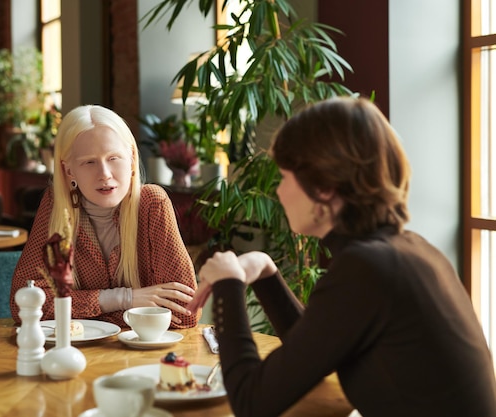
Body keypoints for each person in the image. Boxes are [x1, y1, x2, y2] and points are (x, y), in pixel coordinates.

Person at [188, 97, 496, 416]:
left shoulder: (368, 268)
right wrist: (266, 273)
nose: (278, 191)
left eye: (284, 176)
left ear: (323, 188)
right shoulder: (406, 250)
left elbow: (251, 402)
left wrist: (228, 285)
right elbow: (313, 352)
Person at [10, 104, 199, 329]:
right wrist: (126, 299)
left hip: (144, 358)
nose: (105, 174)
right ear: (69, 170)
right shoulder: (56, 205)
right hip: (80, 356)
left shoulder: (152, 204)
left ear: (131, 159)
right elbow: (24, 305)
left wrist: (79, 311)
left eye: (113, 158)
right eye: (89, 162)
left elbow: (185, 312)